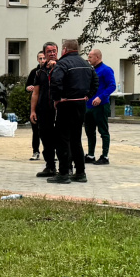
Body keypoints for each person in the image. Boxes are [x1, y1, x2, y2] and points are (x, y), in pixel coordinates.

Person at [48, 39, 98, 184]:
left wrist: (56, 99)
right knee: (76, 139)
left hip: (66, 103)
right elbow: (95, 81)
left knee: (62, 138)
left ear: (64, 49)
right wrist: (88, 96)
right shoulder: (86, 64)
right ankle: (80, 172)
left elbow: (56, 82)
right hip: (81, 104)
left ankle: (64, 173)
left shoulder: (63, 64)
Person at [30, 42, 60, 177]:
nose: (52, 53)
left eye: (54, 51)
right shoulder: (40, 72)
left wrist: (56, 68)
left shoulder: (62, 67)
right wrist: (33, 111)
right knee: (46, 138)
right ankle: (50, 166)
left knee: (62, 138)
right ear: (44, 54)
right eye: (49, 52)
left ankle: (67, 167)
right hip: (44, 109)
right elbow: (35, 92)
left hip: (60, 109)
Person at [84, 49, 116, 165]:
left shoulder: (106, 70)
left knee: (103, 130)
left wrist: (101, 97)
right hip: (89, 105)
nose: (88, 59)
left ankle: (105, 156)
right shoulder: (91, 70)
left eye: (90, 57)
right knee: (89, 131)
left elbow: (112, 86)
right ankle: (91, 155)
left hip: (100, 105)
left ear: (97, 57)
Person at [26, 51, 45, 161]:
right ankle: (35, 151)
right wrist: (29, 88)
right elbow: (27, 86)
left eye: (43, 58)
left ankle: (51, 151)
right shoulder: (34, 72)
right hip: (36, 104)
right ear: (37, 59)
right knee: (35, 130)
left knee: (48, 130)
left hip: (47, 104)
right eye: (40, 58)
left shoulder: (51, 70)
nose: (42, 60)